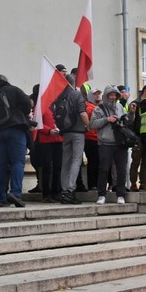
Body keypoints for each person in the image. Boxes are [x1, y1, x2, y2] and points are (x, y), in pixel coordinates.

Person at [0, 73, 32, 208]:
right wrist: (25, 112)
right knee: (17, 162)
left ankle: (0, 199)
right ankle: (15, 193)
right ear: (6, 81)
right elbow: (27, 103)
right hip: (16, 129)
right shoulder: (14, 90)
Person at [90, 85, 128, 205]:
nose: (113, 97)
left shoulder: (120, 106)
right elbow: (93, 124)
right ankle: (101, 194)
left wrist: (130, 115)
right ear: (106, 96)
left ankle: (121, 194)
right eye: (110, 95)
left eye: (115, 95)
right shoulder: (98, 108)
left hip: (120, 143)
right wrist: (107, 119)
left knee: (121, 170)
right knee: (103, 170)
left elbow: (125, 122)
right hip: (105, 143)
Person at [56, 73, 89, 204]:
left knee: (66, 161)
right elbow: (83, 114)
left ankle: (64, 190)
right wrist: (88, 126)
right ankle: (70, 190)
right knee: (76, 160)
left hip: (65, 132)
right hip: (78, 132)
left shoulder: (60, 96)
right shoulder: (76, 94)